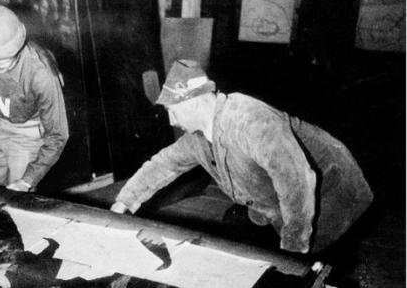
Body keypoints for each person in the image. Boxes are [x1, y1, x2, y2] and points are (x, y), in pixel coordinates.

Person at [111, 59, 373, 254]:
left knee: (304, 274)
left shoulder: (249, 120)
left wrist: (293, 249)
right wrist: (122, 205)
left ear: (193, 101)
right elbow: (163, 164)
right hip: (280, 203)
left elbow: (297, 179)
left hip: (331, 195)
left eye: (172, 110)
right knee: (237, 234)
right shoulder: (198, 138)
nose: (171, 119)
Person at [0, 5, 68, 191]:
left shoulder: (41, 73)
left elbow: (57, 135)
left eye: (2, 63)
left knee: (17, 203)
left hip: (26, 135)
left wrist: (28, 180)